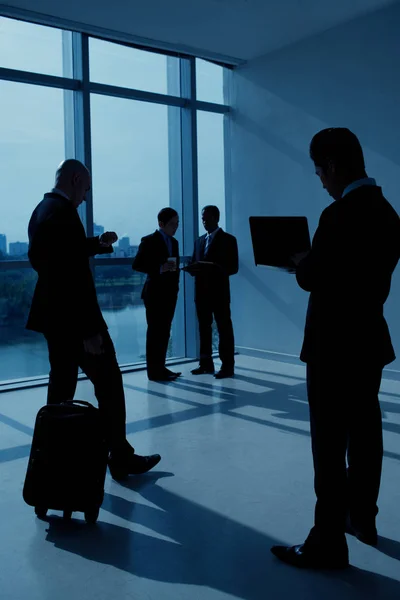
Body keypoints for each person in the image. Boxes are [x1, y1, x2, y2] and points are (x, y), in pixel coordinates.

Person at [271, 128, 400, 569]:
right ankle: (362, 518)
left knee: (328, 445)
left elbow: (315, 277)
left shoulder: (337, 216)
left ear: (331, 166)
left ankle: (327, 541)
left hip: (332, 346)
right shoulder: (387, 212)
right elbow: (359, 277)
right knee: (365, 434)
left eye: (318, 171)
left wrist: (303, 262)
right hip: (368, 341)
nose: (319, 181)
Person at [26, 159, 161, 481]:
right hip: (76, 320)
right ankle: (120, 457)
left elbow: (55, 257)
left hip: (54, 318)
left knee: (61, 387)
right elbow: (71, 277)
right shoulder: (63, 214)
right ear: (75, 180)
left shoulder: (42, 210)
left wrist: (96, 245)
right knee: (110, 385)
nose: (85, 197)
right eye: (85, 188)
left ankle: (54, 462)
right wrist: (89, 330)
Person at [189, 205, 238, 379]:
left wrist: (213, 268)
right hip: (201, 292)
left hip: (219, 293)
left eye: (207, 218)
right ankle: (205, 364)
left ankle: (227, 366)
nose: (204, 222)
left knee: (224, 328)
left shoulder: (229, 240)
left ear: (216, 218)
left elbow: (233, 268)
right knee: (204, 328)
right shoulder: (199, 241)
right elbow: (196, 262)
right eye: (202, 219)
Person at [132, 208, 181, 382]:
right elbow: (137, 264)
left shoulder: (174, 243)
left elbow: (174, 269)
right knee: (154, 333)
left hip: (170, 294)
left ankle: (161, 367)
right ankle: (154, 372)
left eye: (177, 224)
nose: (175, 227)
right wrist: (159, 268)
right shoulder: (149, 241)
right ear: (161, 224)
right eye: (172, 224)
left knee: (164, 332)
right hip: (154, 294)